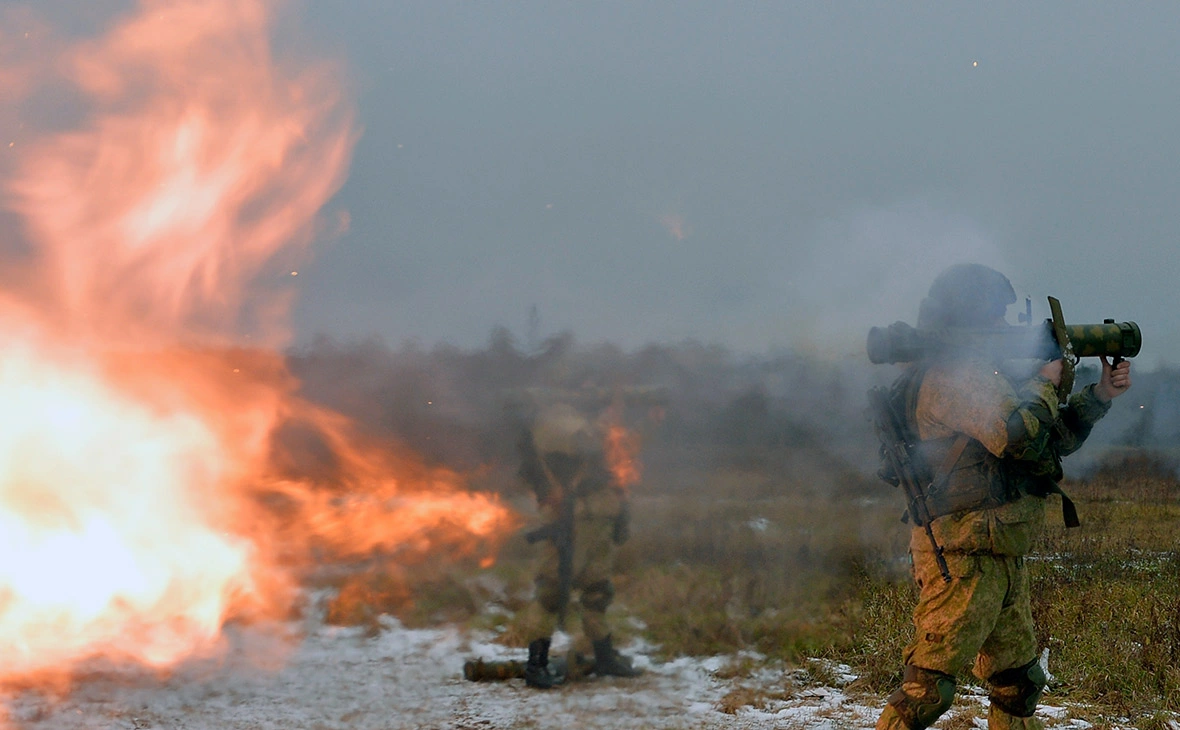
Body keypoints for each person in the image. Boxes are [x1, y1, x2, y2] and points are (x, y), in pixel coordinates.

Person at [875, 264, 1132, 730]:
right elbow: (1016, 437)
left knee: (1018, 686)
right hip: (964, 558)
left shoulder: (984, 375)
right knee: (926, 692)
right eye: (996, 314)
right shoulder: (955, 378)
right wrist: (1044, 381)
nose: (1006, 325)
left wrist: (1097, 395)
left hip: (999, 552)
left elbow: (1044, 447)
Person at [517, 401, 643, 689]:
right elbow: (579, 445)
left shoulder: (595, 422)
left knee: (598, 590)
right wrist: (604, 429)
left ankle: (603, 656)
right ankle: (536, 664)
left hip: (600, 519)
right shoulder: (555, 417)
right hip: (570, 520)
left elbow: (621, 455)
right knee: (550, 593)